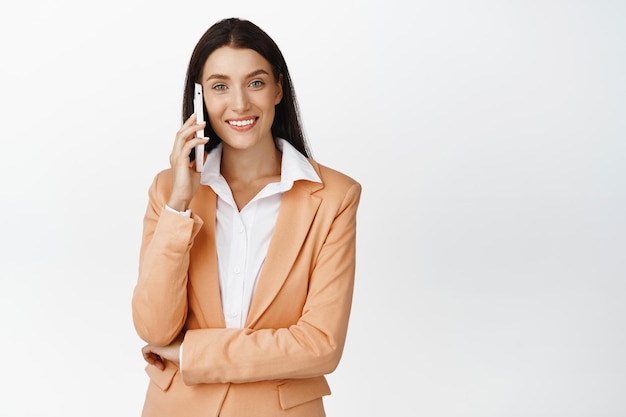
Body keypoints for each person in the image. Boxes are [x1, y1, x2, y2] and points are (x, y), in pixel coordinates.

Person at [132, 17, 361, 417]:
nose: (239, 104)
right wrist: (180, 203)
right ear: (201, 98)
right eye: (220, 86)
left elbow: (321, 344)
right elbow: (154, 329)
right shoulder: (168, 191)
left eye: (255, 82)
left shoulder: (335, 198)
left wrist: (191, 353)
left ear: (278, 89)